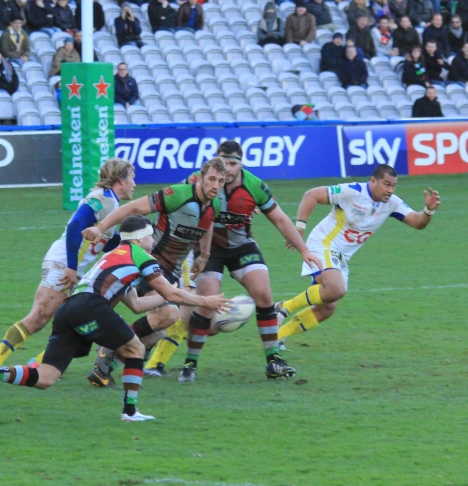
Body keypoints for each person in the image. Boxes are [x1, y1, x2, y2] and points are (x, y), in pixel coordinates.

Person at [0, 215, 229, 422]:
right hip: (91, 306)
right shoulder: (142, 256)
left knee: (46, 377)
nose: (153, 240)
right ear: (140, 238)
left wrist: (176, 295)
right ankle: (129, 412)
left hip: (69, 309)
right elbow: (167, 290)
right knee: (136, 347)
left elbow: (138, 304)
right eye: (151, 235)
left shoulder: (113, 257)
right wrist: (205, 300)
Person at [145, 142, 324, 381]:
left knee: (264, 294)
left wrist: (303, 250)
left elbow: (280, 219)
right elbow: (170, 205)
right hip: (204, 249)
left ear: (241, 163)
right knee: (207, 303)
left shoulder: (254, 186)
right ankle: (190, 364)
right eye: (223, 163)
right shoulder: (197, 180)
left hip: (241, 246)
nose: (227, 169)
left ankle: (273, 361)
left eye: (233, 163)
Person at [82, 159, 227, 387]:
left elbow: (207, 224)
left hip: (172, 270)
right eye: (211, 179)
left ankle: (104, 367)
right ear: (199, 177)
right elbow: (132, 208)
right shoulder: (177, 195)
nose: (216, 184)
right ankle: (101, 350)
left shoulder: (215, 203)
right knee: (167, 315)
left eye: (221, 180)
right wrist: (100, 228)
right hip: (148, 262)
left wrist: (204, 255)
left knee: (158, 329)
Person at [0, 159, 135, 369]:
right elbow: (75, 226)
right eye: (132, 178)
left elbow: (106, 243)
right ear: (120, 180)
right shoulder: (102, 198)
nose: (134, 183)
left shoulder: (112, 204)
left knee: (78, 323)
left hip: (75, 269)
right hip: (64, 265)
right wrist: (71, 267)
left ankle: (36, 365)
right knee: (38, 318)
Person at [275, 166, 441, 351]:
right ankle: (284, 307)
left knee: (327, 308)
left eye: (393, 186)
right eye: (386, 184)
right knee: (336, 289)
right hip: (324, 243)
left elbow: (417, 222)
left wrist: (428, 211)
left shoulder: (392, 203)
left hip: (340, 256)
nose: (390, 190)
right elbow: (311, 195)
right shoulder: (352, 191)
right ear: (373, 181)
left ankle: (278, 336)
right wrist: (299, 228)